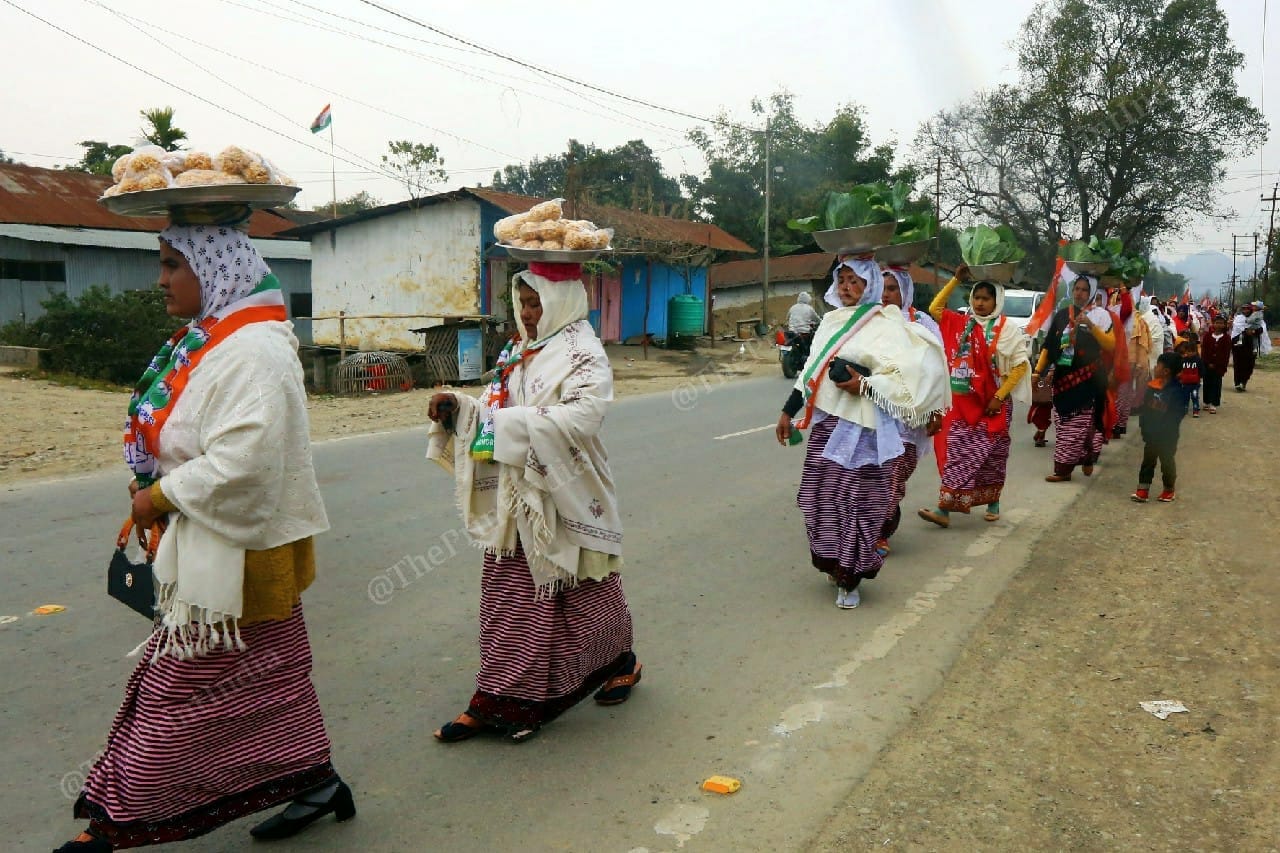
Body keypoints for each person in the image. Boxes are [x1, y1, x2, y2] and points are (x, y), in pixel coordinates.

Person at [58, 223, 351, 852]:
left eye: (172, 264)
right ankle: (316, 781)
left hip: (240, 551)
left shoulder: (253, 352)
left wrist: (159, 495)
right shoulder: (211, 340)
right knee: (274, 679)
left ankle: (117, 825)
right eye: (161, 263)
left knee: (175, 694)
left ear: (215, 270)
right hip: (221, 539)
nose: (160, 279)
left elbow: (245, 461)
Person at [426, 261, 638, 743]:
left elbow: (583, 419)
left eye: (535, 302)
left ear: (561, 300)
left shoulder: (585, 353)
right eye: (522, 303)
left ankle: (618, 660)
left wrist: (503, 425)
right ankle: (499, 699)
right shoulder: (520, 349)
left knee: (586, 587)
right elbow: (495, 402)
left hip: (567, 486)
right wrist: (461, 407)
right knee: (510, 599)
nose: (527, 312)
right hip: (519, 493)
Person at [776, 258, 948, 609]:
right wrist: (787, 411)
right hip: (829, 425)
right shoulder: (829, 322)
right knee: (818, 500)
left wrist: (866, 385)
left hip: (869, 430)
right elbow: (811, 371)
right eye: (842, 280)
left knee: (859, 503)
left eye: (854, 280)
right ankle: (835, 562)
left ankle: (851, 578)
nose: (846, 287)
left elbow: (910, 373)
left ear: (867, 284)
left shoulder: (889, 324)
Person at [918, 265, 1032, 528]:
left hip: (995, 403)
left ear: (996, 301)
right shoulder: (963, 324)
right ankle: (944, 509)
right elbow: (935, 309)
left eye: (986, 298)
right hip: (965, 404)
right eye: (976, 297)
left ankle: (992, 500)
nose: (980, 303)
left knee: (992, 456)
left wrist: (1000, 397)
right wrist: (956, 280)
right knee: (959, 452)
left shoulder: (1007, 329)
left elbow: (1019, 366)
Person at [877, 265, 946, 553]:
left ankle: (880, 529)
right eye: (881, 288)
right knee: (875, 476)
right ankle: (877, 531)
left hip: (910, 418)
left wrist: (935, 410)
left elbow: (937, 369)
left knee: (895, 474)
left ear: (905, 291)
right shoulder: (869, 322)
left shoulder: (923, 324)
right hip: (876, 412)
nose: (885, 295)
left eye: (892, 289)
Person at [1033, 273, 1115, 482]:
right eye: (1076, 289)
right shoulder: (1061, 315)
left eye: (1084, 290)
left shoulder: (1101, 316)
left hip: (1089, 380)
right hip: (1063, 378)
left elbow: (1110, 345)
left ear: (1092, 293)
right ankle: (1083, 456)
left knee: (1081, 422)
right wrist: (1037, 372)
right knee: (1062, 422)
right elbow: (1049, 346)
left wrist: (1089, 324)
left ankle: (1064, 469)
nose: (1079, 293)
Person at [1131, 352, 1193, 503]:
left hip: (1167, 435)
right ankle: (1142, 490)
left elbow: (1178, 413)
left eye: (1158, 365)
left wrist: (1166, 430)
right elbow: (1145, 409)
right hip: (1151, 434)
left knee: (1167, 462)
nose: (1155, 367)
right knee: (1148, 461)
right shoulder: (1152, 387)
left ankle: (1168, 489)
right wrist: (1144, 426)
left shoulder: (1178, 391)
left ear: (1166, 371)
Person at [1231, 301, 1272, 391]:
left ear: (1250, 309)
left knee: (1249, 365)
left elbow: (1261, 329)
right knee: (1238, 364)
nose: (1245, 311)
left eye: (1247, 309)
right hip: (1238, 345)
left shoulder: (1257, 317)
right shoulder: (1238, 318)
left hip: (1250, 346)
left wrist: (1253, 332)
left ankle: (1244, 382)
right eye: (1243, 309)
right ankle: (1237, 383)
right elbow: (1235, 331)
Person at [1200, 313, 1232, 413]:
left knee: (1216, 384)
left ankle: (1214, 404)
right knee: (1207, 383)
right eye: (1217, 323)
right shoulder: (1207, 336)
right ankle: (1206, 401)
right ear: (1213, 324)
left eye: (1221, 323)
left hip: (1219, 367)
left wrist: (1219, 364)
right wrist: (1207, 362)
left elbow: (1226, 354)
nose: (1219, 325)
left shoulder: (1226, 338)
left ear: (1225, 325)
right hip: (1207, 365)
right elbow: (1204, 351)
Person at [1175, 334, 1203, 417]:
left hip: (1195, 384)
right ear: (1185, 351)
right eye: (1188, 351)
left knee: (1195, 397)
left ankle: (1195, 410)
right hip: (1185, 383)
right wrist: (1179, 377)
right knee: (1185, 397)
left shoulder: (1198, 360)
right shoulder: (1183, 360)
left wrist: (1200, 377)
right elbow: (1180, 370)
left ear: (1195, 351)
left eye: (1192, 351)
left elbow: (1202, 370)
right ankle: (1184, 410)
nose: (1190, 353)